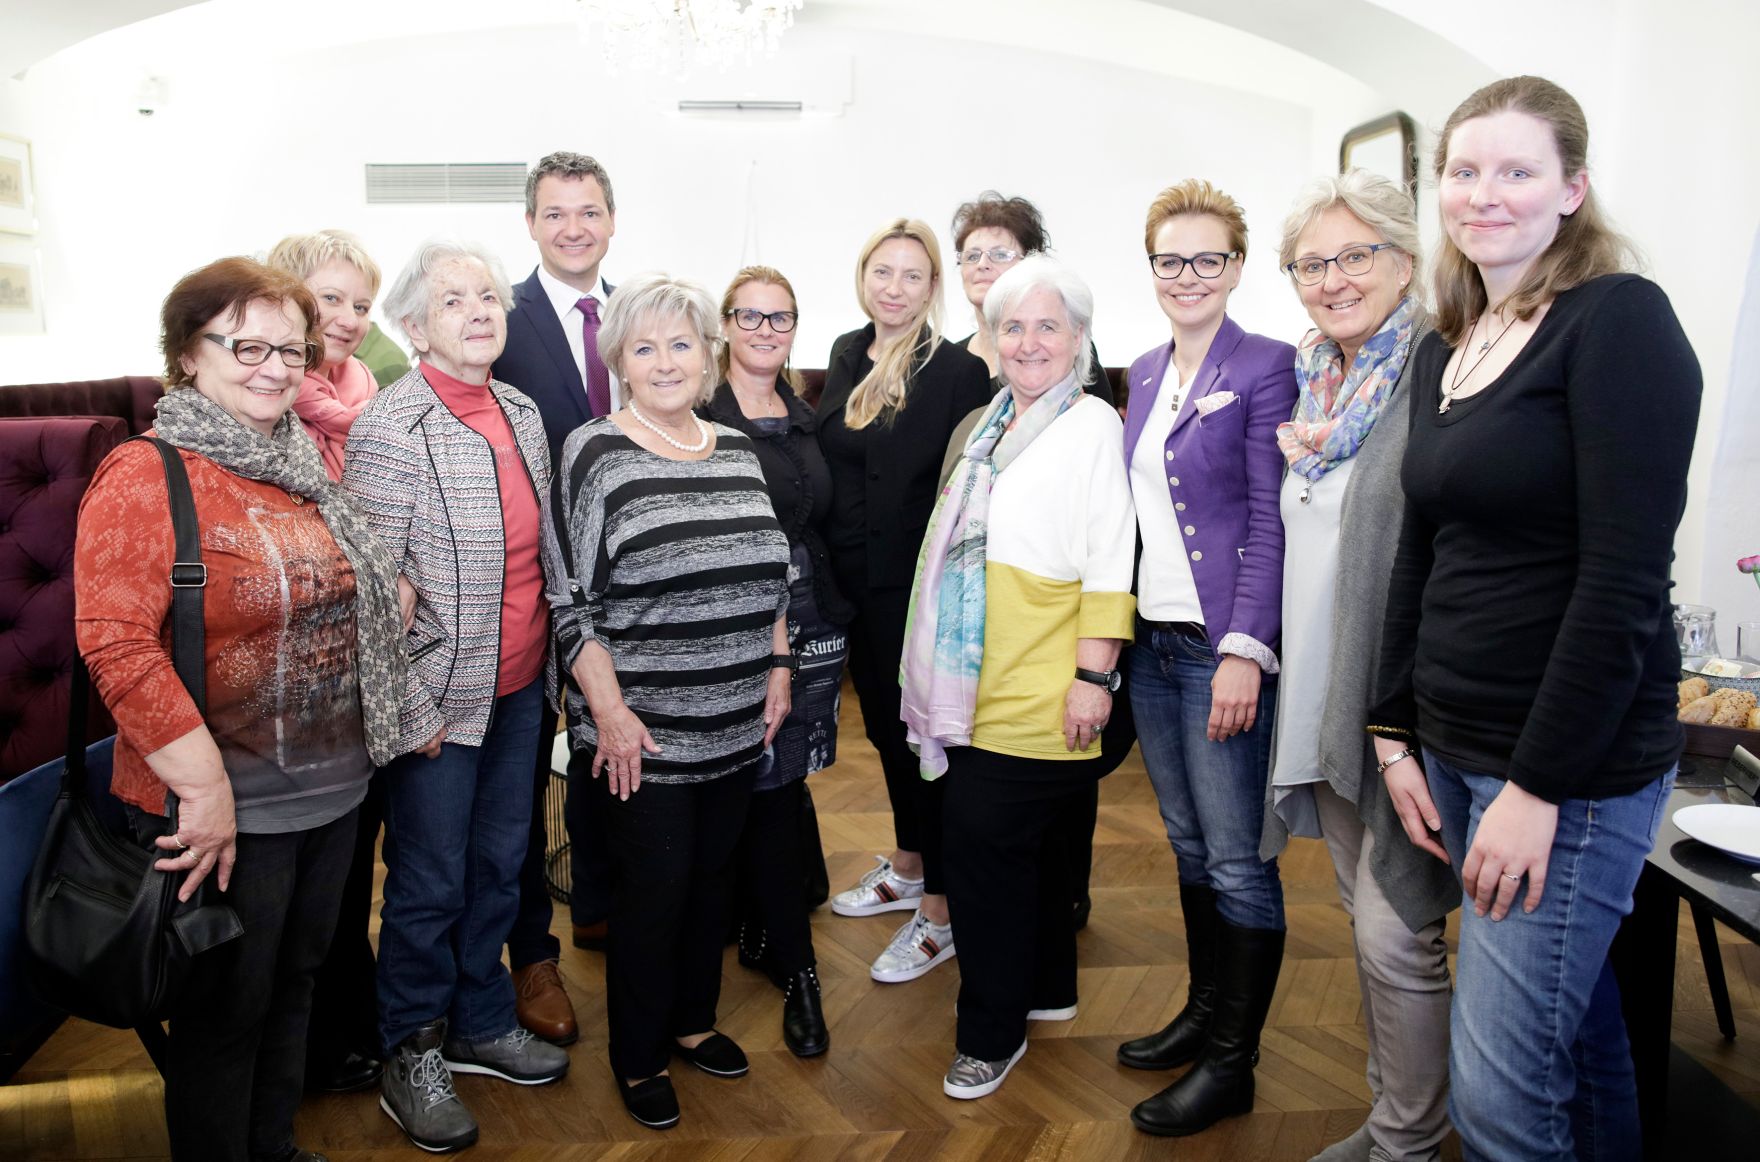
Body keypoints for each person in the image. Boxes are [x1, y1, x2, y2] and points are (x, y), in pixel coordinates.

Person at [1368, 76, 1701, 1162]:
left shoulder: (1617, 320)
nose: (1483, 195)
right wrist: (1391, 728)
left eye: (1516, 171)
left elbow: (1618, 580)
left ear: (1572, 189)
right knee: (1583, 1032)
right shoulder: (1443, 344)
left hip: (1567, 770)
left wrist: (1537, 786)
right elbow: (1423, 545)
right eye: (1462, 172)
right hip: (1457, 747)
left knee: (1499, 1103)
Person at [73, 256, 405, 1161]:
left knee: (295, 986)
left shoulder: (303, 464)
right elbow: (115, 643)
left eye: (289, 352)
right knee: (224, 1016)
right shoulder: (147, 473)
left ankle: (276, 1148)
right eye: (245, 345)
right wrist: (206, 792)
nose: (272, 367)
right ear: (188, 354)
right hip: (220, 810)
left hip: (333, 792)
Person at [547, 272, 792, 1130]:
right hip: (639, 733)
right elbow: (570, 600)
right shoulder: (593, 450)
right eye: (643, 347)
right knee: (653, 896)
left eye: (680, 344)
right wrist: (608, 714)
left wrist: (778, 666)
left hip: (734, 720)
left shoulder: (734, 446)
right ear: (618, 358)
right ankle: (640, 1053)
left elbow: (774, 572)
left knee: (712, 886)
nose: (664, 362)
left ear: (708, 354)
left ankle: (693, 1023)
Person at [344, 239, 570, 1153]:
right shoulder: (392, 425)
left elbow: (543, 555)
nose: (478, 310)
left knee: (500, 863)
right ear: (413, 325)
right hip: (439, 699)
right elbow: (371, 588)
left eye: (487, 295)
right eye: (452, 300)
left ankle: (481, 1020)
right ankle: (412, 1047)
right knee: (430, 880)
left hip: (520, 689)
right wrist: (408, 708)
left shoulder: (519, 409)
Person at [903, 256, 1134, 1099]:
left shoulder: (1093, 423)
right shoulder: (991, 424)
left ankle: (988, 1035)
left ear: (1077, 337)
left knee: (985, 853)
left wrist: (1094, 678)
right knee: (1020, 852)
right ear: (991, 339)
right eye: (1013, 326)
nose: (1029, 342)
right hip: (978, 674)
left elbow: (1113, 556)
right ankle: (1044, 993)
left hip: (1046, 672)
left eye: (1048, 326)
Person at [1264, 171, 1456, 1162]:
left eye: (1354, 256)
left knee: (1394, 929)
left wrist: (1404, 719)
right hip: (1322, 696)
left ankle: (1411, 1142)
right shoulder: (1315, 379)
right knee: (1364, 919)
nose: (1331, 280)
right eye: (1310, 263)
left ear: (1404, 259)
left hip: (1399, 708)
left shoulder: (1438, 372)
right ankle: (1396, 1119)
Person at [1115, 178, 1297, 1138]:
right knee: (1187, 844)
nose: (1188, 275)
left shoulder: (1268, 364)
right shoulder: (1143, 370)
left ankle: (1236, 1063)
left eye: (1207, 258)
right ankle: (1200, 1011)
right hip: (1152, 644)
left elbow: (1270, 521)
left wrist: (1246, 650)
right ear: (1151, 269)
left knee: (1236, 859)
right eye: (1169, 260)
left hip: (1220, 650)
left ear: (1236, 266)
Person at [817, 218, 991, 984]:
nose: (894, 287)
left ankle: (945, 912)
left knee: (926, 746)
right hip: (852, 586)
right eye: (881, 272)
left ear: (932, 287)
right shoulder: (845, 353)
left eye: (911, 276)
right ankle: (913, 867)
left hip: (917, 589)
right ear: (864, 278)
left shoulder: (956, 372)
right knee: (888, 738)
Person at [700, 265, 854, 1058]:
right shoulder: (698, 415)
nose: (765, 330)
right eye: (750, 316)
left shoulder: (804, 416)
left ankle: (770, 934)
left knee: (784, 781)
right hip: (740, 629)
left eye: (780, 318)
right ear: (725, 324)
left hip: (813, 621)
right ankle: (798, 967)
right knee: (759, 780)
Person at [493, 153, 622, 1046]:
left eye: (588, 211)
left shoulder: (643, 316)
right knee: (521, 779)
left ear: (612, 219)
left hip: (629, 583)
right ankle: (531, 952)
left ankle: (610, 902)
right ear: (531, 224)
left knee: (616, 740)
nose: (573, 227)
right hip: (529, 586)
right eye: (555, 213)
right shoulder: (497, 317)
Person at [264, 227, 393, 1097]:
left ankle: (352, 1021)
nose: (344, 319)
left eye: (357, 302)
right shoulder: (269, 404)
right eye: (327, 301)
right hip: (297, 671)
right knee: (304, 882)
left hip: (368, 659)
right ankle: (302, 1051)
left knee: (352, 865)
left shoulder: (364, 391)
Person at [948, 191, 1114, 403]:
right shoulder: (953, 361)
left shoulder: (1062, 350)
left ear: (1031, 263)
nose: (982, 265)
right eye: (972, 256)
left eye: (999, 255)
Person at [265, 229, 384, 482]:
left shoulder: (366, 385)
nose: (350, 321)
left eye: (360, 307)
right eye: (331, 298)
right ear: (287, 299)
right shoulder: (260, 393)